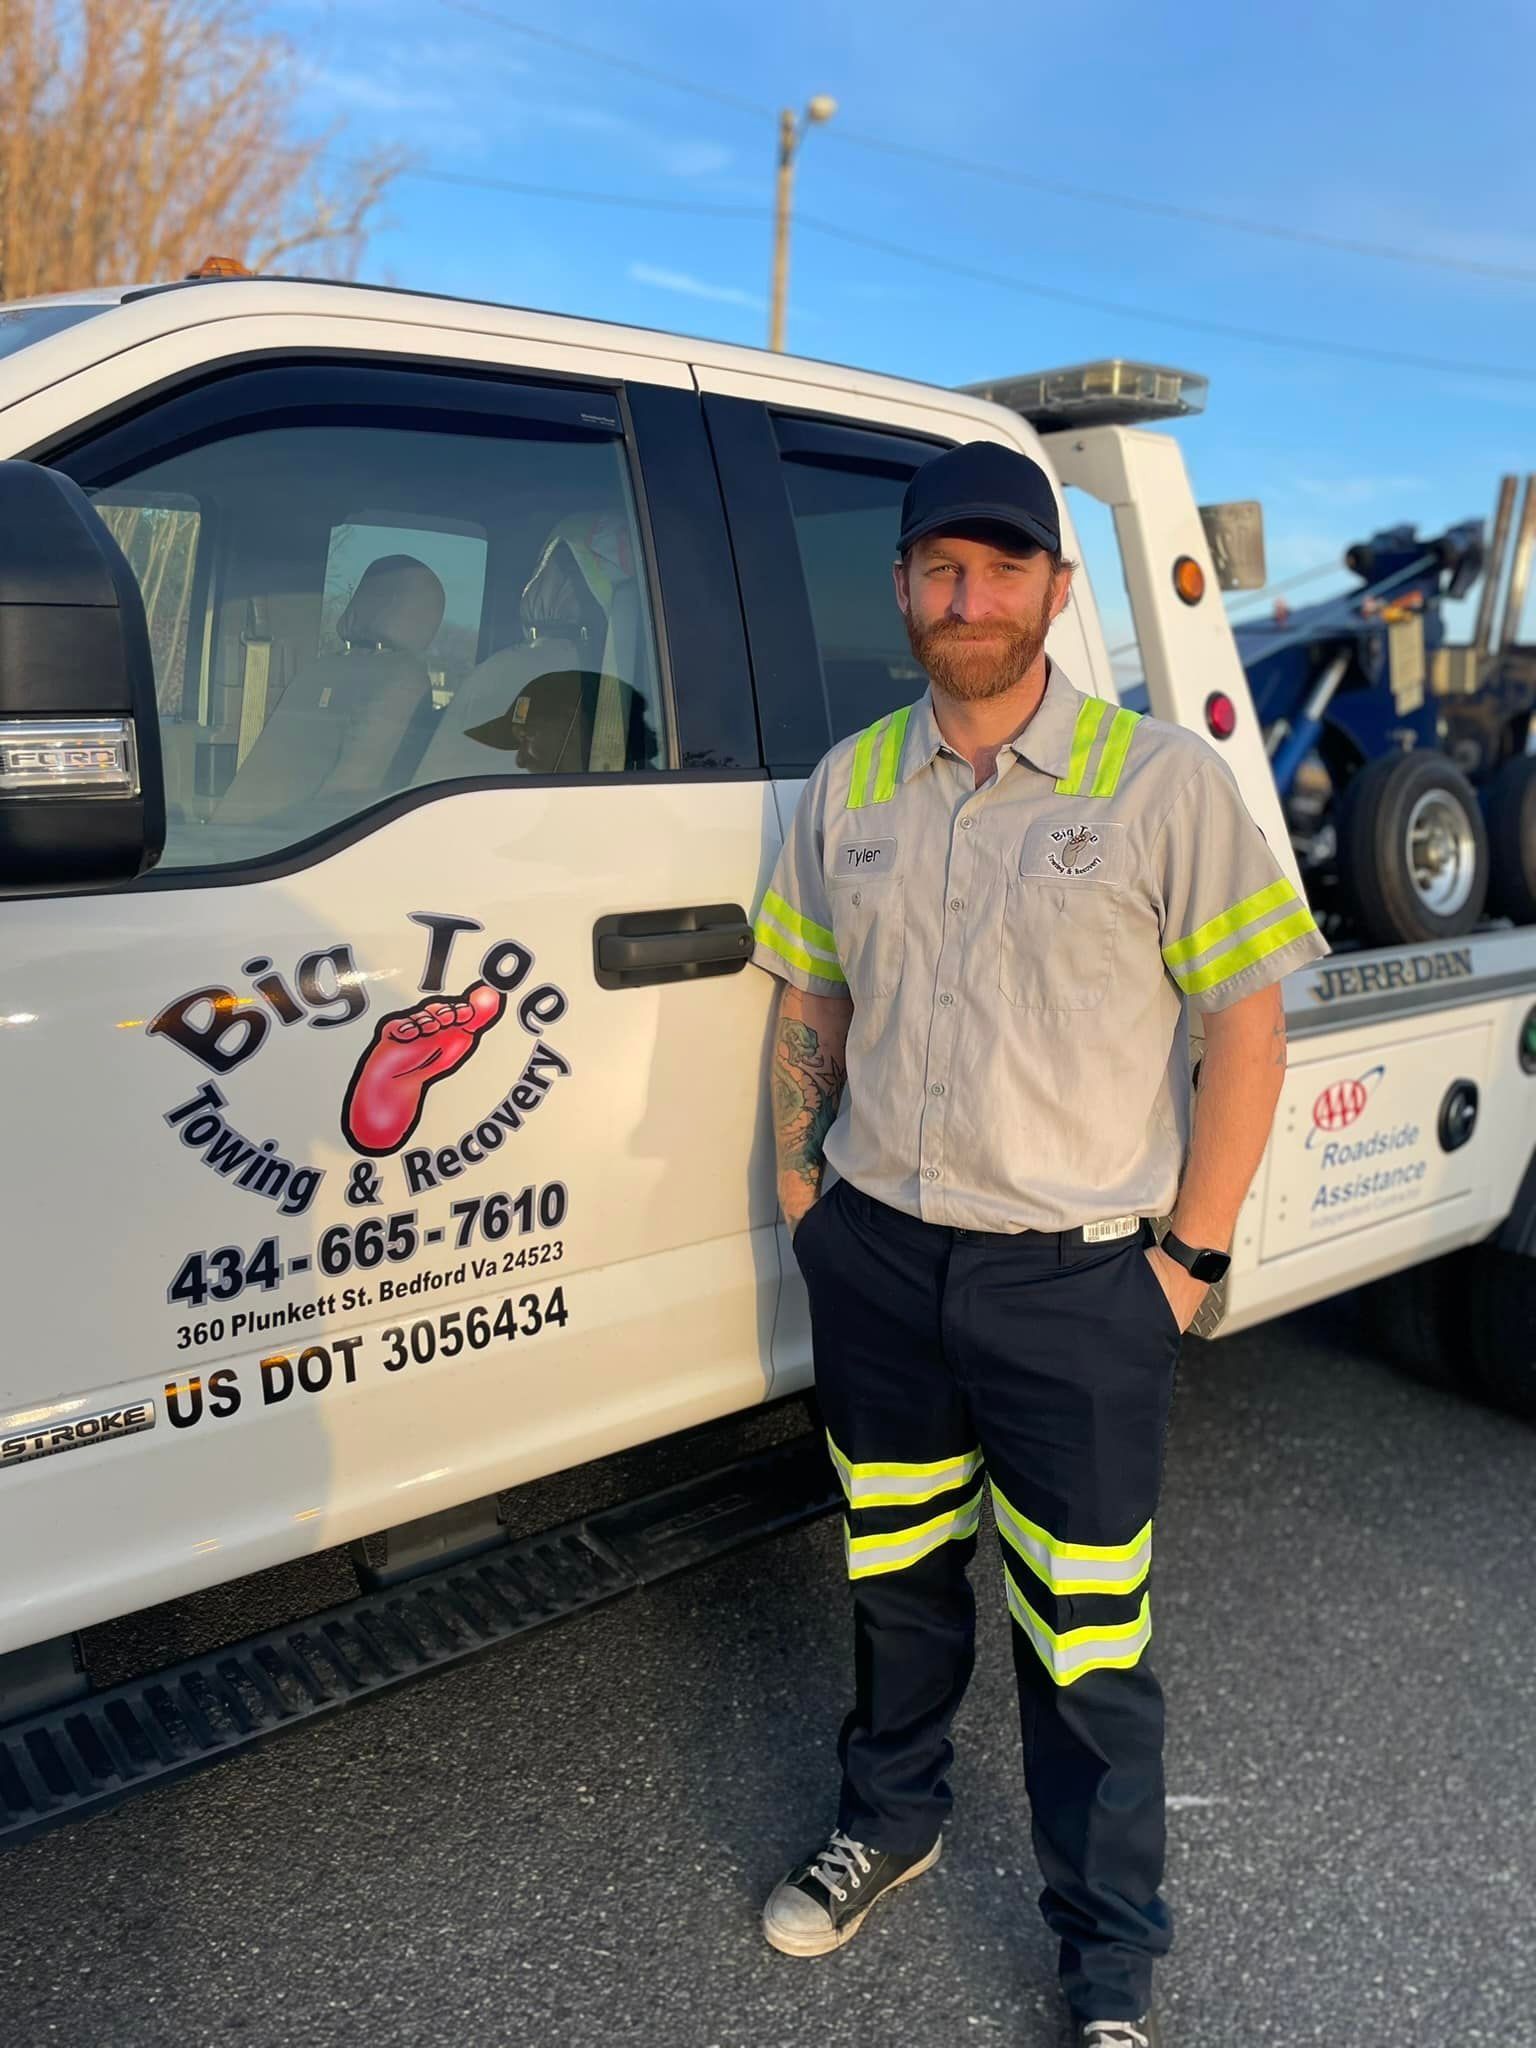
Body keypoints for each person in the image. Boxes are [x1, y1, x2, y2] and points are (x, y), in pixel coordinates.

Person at [750, 441, 1330, 2048]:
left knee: (1089, 1642)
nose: (969, 596)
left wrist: (1185, 1266)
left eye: (1004, 568)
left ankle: (1108, 1959)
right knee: (896, 1578)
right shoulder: (847, 783)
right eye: (942, 567)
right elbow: (813, 997)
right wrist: (808, 1200)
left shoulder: (1156, 784)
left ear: (1060, 594)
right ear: (903, 590)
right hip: (881, 1263)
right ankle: (896, 1818)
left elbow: (1250, 1027)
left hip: (1079, 1284)